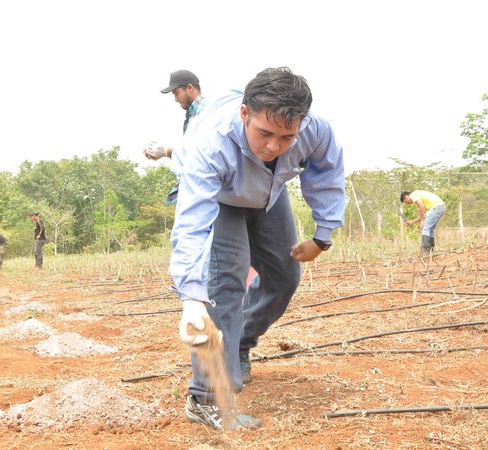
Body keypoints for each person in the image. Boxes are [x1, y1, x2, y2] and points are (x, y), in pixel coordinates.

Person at [171, 67, 346, 430]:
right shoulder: (211, 144)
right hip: (221, 195)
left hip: (267, 193)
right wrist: (190, 297)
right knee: (226, 284)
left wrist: (322, 236)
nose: (273, 146)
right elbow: (192, 224)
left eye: (286, 137)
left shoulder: (314, 129)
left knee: (284, 276)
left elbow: (326, 172)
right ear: (245, 113)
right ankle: (207, 399)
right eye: (265, 133)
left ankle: (237, 344)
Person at [144, 69, 208, 205]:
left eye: (176, 93)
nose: (175, 99)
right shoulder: (193, 114)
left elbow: (199, 155)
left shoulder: (204, 113)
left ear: (190, 88)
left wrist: (165, 152)